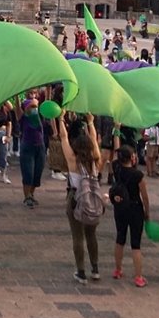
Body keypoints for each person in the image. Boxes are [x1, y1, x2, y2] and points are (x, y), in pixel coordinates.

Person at [57, 112, 102, 284]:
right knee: (92, 235)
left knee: (77, 237)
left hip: (75, 198)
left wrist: (61, 118)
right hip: (93, 199)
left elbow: (63, 137)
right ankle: (95, 268)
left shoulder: (72, 160)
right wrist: (90, 123)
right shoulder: (95, 160)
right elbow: (94, 139)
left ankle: (81, 271)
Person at [110, 129, 150, 287]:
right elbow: (144, 197)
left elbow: (116, 150)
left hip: (120, 208)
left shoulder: (116, 168)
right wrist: (147, 212)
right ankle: (138, 276)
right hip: (135, 208)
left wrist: (117, 131)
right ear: (132, 158)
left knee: (120, 238)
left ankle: (118, 269)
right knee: (135, 243)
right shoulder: (137, 175)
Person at [17, 98, 46, 208]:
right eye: (32, 107)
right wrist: (16, 97)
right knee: (28, 172)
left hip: (40, 146)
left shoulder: (39, 116)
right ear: (26, 109)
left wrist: (48, 89)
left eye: (36, 107)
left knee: (37, 172)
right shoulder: (23, 117)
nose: (34, 109)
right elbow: (17, 108)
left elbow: (46, 103)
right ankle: (27, 196)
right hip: (27, 147)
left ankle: (31, 194)